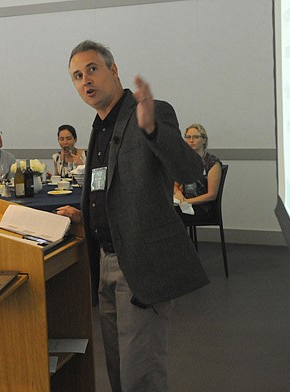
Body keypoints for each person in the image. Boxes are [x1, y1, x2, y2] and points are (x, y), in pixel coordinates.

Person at [56, 40, 209, 392]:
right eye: (77, 76)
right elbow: (108, 189)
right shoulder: (98, 127)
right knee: (118, 367)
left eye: (92, 69)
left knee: (141, 371)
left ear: (113, 70)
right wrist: (85, 217)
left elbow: (189, 171)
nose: (85, 81)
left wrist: (153, 130)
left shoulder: (150, 112)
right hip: (105, 258)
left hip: (140, 261)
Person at [173, 123, 222, 217]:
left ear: (204, 140)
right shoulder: (184, 161)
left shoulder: (212, 163)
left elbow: (212, 195)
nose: (191, 140)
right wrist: (178, 193)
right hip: (183, 203)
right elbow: (175, 184)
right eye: (188, 137)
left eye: (195, 137)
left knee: (171, 214)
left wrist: (186, 201)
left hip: (201, 206)